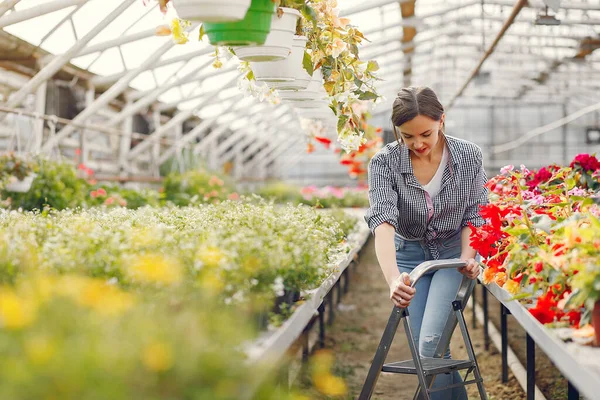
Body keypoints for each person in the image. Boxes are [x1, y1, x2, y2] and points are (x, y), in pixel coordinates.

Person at [364, 86, 488, 400]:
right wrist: (394, 279)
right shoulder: (384, 163)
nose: (417, 144)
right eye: (407, 136)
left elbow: (475, 212)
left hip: (450, 256)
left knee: (432, 346)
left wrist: (467, 256)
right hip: (409, 258)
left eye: (426, 134)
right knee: (430, 356)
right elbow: (382, 221)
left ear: (442, 121)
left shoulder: (467, 155)